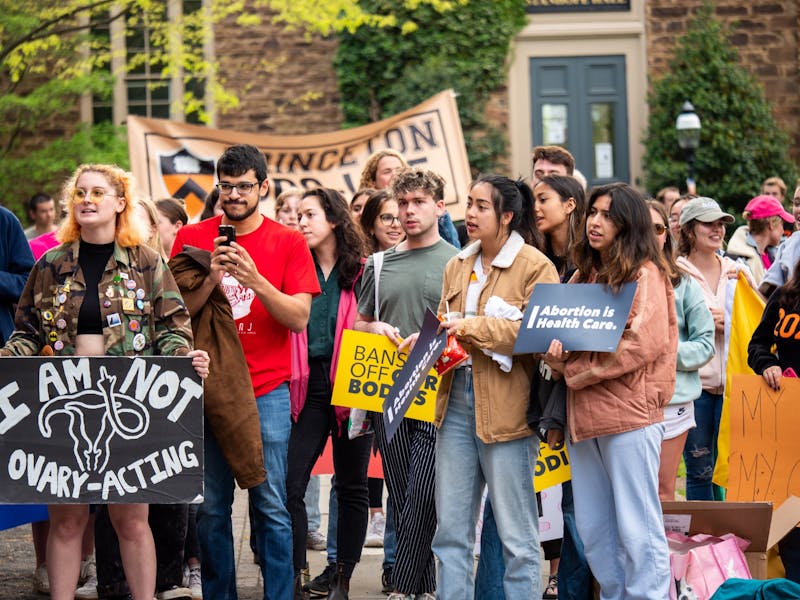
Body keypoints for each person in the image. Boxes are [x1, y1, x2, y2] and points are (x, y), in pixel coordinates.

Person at [1, 163, 210, 600]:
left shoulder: (147, 263)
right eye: (80, 193)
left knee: (131, 521)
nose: (87, 200)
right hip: (64, 406)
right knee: (68, 522)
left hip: (129, 404)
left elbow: (172, 327)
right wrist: (5, 360)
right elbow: (26, 332)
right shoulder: (50, 264)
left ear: (120, 203)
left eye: (98, 192)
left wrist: (181, 358)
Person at [170, 144, 320, 600]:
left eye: (243, 186)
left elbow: (298, 318)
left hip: (266, 389)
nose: (234, 194)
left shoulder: (288, 242)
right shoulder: (192, 238)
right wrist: (213, 276)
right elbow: (175, 315)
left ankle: (279, 593)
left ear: (264, 187)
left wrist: (254, 278)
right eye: (226, 185)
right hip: (208, 389)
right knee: (213, 509)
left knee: (271, 504)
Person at [543, 182, 676, 600]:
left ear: (628, 223)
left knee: (638, 527)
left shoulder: (646, 273)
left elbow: (641, 343)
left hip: (630, 417)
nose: (595, 222)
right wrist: (555, 351)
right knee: (596, 530)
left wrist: (575, 369)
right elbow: (566, 338)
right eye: (593, 213)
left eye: (607, 215)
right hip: (584, 418)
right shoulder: (584, 274)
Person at [432, 174, 558, 599]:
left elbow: (536, 337)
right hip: (454, 405)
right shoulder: (456, 265)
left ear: (507, 216)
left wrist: (471, 326)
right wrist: (425, 341)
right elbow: (447, 328)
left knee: (517, 537)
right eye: (468, 203)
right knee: (450, 532)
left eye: (481, 206)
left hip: (507, 408)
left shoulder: (536, 267)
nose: (469, 213)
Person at [354, 167, 458, 600]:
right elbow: (359, 323)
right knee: (401, 492)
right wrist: (374, 327)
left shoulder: (460, 261)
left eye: (418, 202)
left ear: (439, 207)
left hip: (442, 393)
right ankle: (424, 587)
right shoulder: (378, 265)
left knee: (424, 489)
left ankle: (403, 585)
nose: (408, 211)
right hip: (388, 393)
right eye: (402, 203)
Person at [287, 188, 372, 599]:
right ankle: (297, 574)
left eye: (309, 215)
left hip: (354, 386)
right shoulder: (293, 268)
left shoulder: (364, 270)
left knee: (352, 485)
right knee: (291, 484)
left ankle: (342, 577)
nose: (300, 222)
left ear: (334, 219)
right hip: (307, 386)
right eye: (297, 215)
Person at [676, 197, 758, 501]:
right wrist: (703, 325)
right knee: (698, 472)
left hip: (736, 387)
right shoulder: (675, 274)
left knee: (736, 471)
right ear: (688, 230)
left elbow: (756, 323)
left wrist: (733, 320)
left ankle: (732, 544)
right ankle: (703, 544)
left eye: (721, 223)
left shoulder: (739, 271)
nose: (717, 229)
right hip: (693, 389)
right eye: (708, 223)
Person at [647, 201, 715, 501]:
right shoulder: (609, 280)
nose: (651, 235)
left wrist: (660, 354)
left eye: (658, 229)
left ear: (667, 235)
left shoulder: (682, 283)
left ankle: (661, 550)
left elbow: (704, 345)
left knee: (662, 492)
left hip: (673, 402)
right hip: (622, 403)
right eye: (643, 228)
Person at [748, 257, 800, 583]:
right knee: (790, 507)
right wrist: (767, 362)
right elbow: (756, 343)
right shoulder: (783, 297)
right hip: (786, 416)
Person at [726, 195, 793, 283]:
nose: (783, 230)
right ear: (772, 223)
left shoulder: (773, 254)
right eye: (782, 224)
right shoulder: (739, 260)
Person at [760, 182, 800, 298]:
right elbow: (765, 295)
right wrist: (747, 281)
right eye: (797, 203)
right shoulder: (789, 245)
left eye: (774, 193)